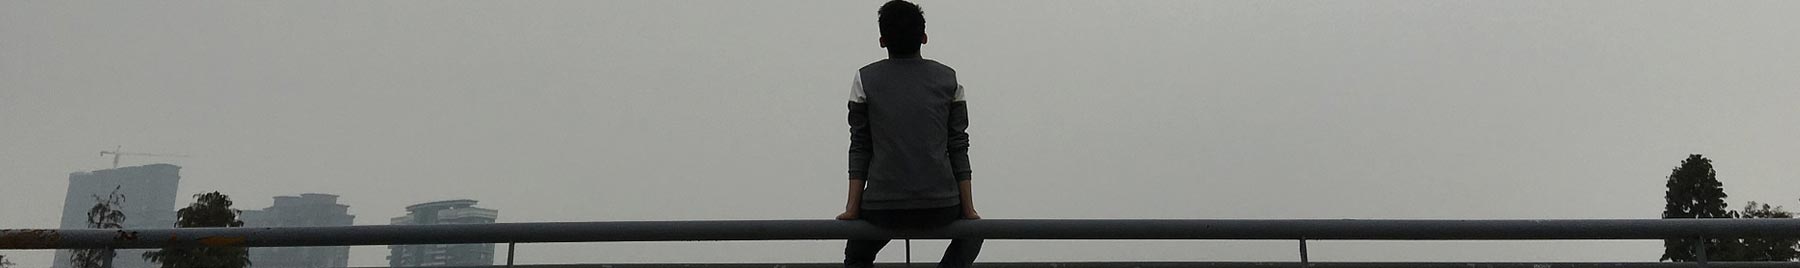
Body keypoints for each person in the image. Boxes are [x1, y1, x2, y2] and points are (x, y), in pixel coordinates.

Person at [837, 1, 982, 267]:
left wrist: (852, 209)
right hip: (941, 205)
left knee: (857, 256)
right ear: (924, 37)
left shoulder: (864, 79)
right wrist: (969, 209)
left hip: (883, 208)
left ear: (882, 40)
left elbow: (860, 147)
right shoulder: (949, 80)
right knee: (973, 236)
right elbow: (958, 146)